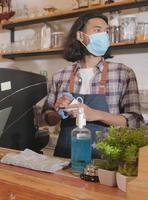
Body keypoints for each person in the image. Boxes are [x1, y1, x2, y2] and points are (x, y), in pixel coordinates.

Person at [43, 12, 143, 158]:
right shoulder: (60, 76)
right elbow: (47, 117)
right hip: (65, 159)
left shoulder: (123, 73)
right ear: (80, 36)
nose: (104, 35)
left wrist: (93, 114)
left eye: (106, 31)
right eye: (97, 30)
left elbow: (135, 122)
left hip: (106, 164)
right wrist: (58, 113)